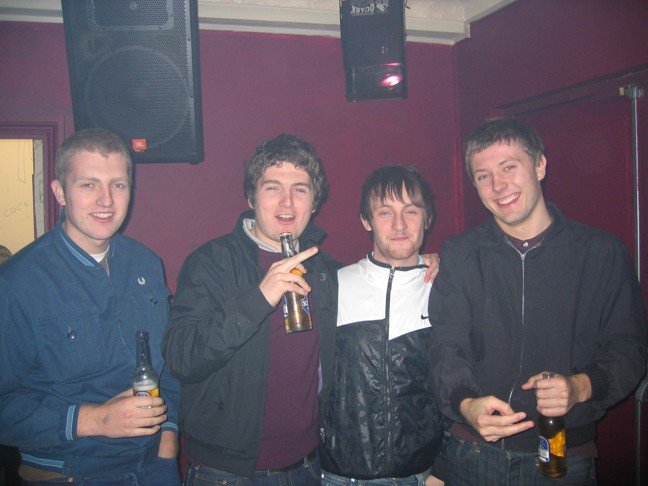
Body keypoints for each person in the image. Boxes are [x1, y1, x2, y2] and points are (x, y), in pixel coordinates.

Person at [428, 117, 647, 484]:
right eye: (483, 176)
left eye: (509, 167)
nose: (498, 186)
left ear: (540, 165)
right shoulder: (460, 254)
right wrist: (466, 404)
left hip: (561, 455)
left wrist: (580, 386)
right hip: (473, 450)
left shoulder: (600, 253)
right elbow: (445, 345)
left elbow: (629, 349)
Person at [0, 128, 181, 485]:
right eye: (88, 185)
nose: (106, 200)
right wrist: (96, 420)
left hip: (153, 466)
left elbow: (169, 362)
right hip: (69, 473)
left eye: (118, 185)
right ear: (59, 192)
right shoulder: (18, 282)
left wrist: (169, 439)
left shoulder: (146, 263)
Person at [162, 133, 339, 485]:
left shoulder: (324, 270)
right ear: (251, 197)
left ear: (314, 201)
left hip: (308, 465)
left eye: (300, 189)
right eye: (273, 188)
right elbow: (181, 356)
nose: (287, 201)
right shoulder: (211, 263)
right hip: (226, 472)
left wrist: (423, 265)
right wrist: (258, 299)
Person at [319, 164, 445, 486]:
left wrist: (443, 469)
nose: (400, 224)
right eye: (385, 212)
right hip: (339, 476)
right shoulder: (332, 286)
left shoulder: (447, 289)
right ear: (366, 220)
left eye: (411, 211)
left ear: (427, 218)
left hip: (421, 475)